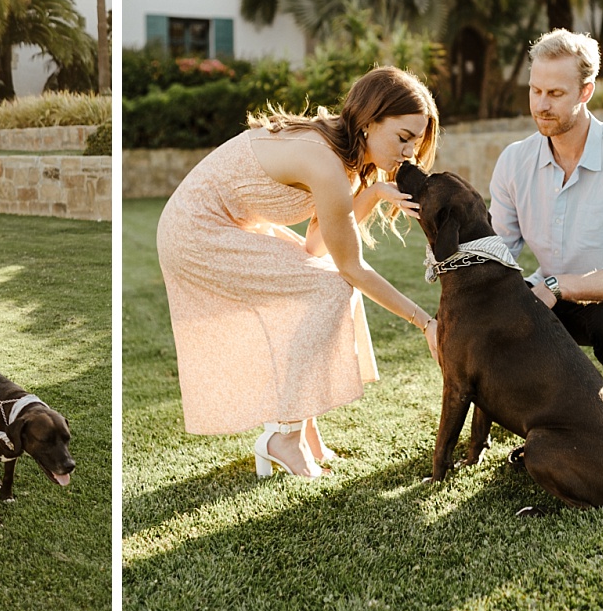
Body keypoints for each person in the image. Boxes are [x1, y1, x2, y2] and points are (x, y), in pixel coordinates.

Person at [156, 66, 441, 479]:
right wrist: (425, 322)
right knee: (331, 289)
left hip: (217, 225)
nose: (409, 154)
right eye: (403, 138)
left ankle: (301, 431)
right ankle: (283, 438)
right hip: (196, 232)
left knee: (325, 282)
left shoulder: (340, 154)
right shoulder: (324, 161)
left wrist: (375, 192)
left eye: (416, 143)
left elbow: (316, 244)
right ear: (369, 121)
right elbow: (351, 267)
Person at [489, 29, 603, 430]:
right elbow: (498, 251)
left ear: (586, 92)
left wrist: (557, 286)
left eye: (555, 94)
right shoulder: (514, 162)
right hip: (547, 297)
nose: (541, 105)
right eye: (535, 91)